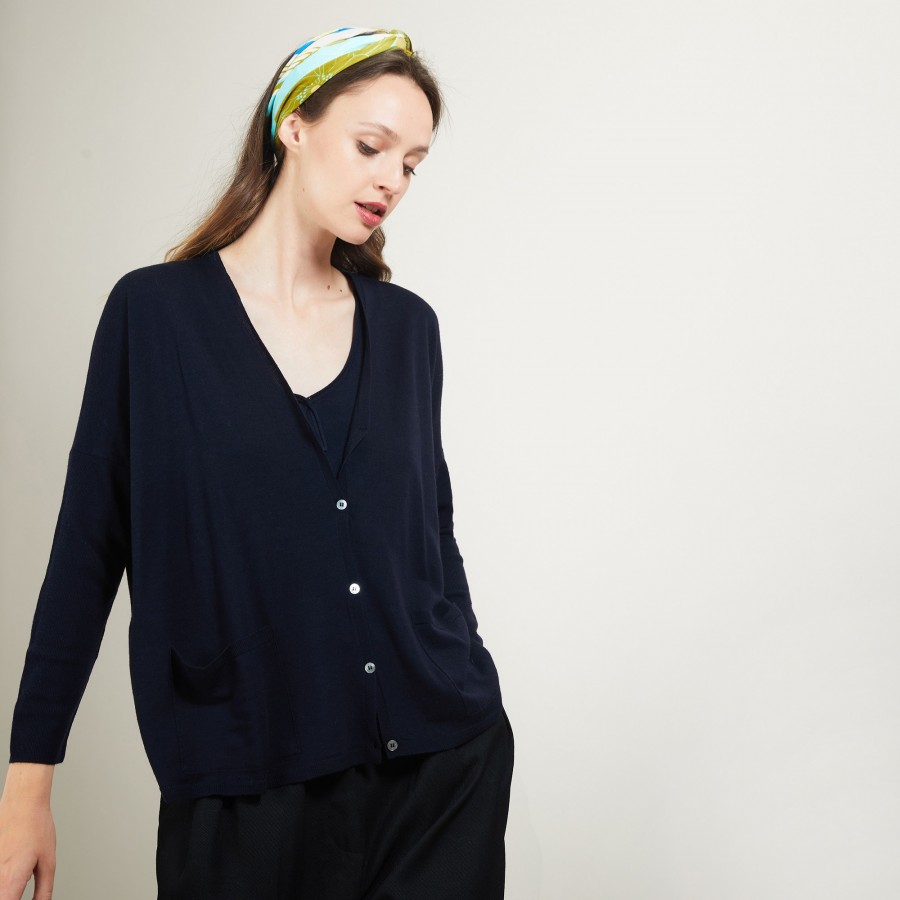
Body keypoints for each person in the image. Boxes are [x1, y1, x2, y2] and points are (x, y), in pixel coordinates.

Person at [0, 25, 513, 900]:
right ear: (293, 126)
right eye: (371, 146)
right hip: (243, 782)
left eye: (412, 163)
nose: (392, 179)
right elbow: (87, 550)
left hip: (440, 773)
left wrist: (468, 668)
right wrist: (28, 784)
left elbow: (430, 529)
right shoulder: (155, 318)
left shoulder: (408, 329)